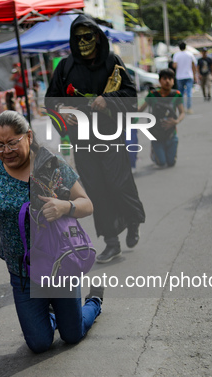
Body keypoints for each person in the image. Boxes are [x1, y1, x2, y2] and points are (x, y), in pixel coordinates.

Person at [0, 111, 103, 353]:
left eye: (12, 143)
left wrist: (65, 206)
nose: (6, 151)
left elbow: (88, 204)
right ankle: (51, 316)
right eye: (0, 145)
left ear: (28, 136)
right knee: (39, 343)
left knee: (72, 335)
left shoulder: (50, 164)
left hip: (58, 264)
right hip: (22, 270)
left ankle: (94, 301)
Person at [45, 14, 146, 263]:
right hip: (82, 140)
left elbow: (131, 96)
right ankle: (111, 242)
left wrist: (108, 100)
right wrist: (61, 111)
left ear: (97, 37)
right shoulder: (65, 67)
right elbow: (51, 99)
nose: (83, 42)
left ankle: (133, 220)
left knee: (118, 183)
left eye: (87, 36)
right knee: (95, 190)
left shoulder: (112, 62)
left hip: (110, 136)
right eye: (77, 37)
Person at [138, 69, 185, 168]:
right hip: (156, 133)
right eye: (164, 78)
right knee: (161, 163)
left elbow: (182, 113)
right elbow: (140, 109)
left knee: (171, 163)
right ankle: (155, 153)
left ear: (173, 81)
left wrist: (176, 121)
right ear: (160, 81)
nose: (167, 81)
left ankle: (167, 153)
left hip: (171, 133)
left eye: (170, 79)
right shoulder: (152, 94)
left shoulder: (176, 94)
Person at [172, 42, 198, 114]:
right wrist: (195, 75)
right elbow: (194, 65)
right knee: (189, 92)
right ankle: (189, 108)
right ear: (185, 47)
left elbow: (174, 66)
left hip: (179, 76)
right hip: (189, 75)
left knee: (181, 93)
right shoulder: (190, 54)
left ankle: (182, 109)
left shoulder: (176, 55)